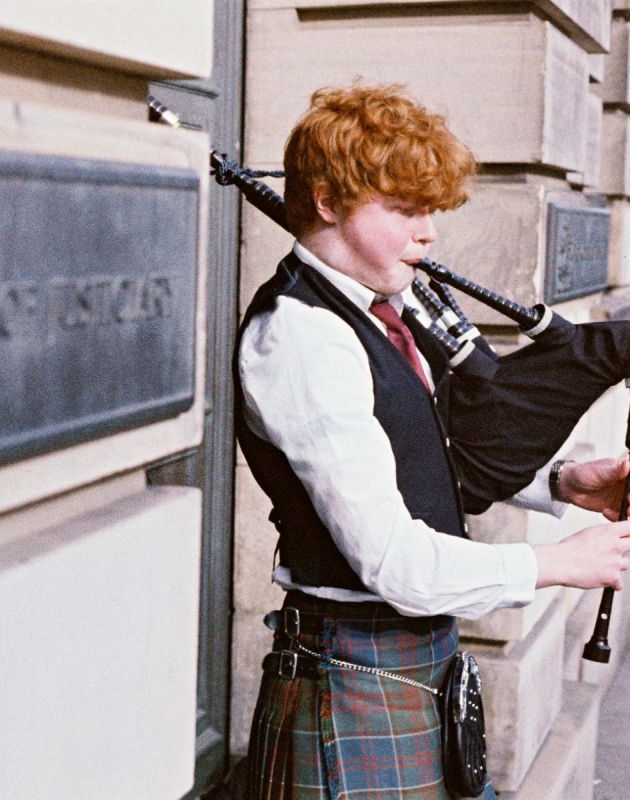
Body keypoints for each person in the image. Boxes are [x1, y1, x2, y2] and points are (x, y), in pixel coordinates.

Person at [234, 82, 629, 800]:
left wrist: (564, 482)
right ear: (326, 201)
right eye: (405, 210)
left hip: (409, 667)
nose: (428, 234)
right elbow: (395, 563)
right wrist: (555, 564)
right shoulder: (303, 336)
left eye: (431, 211)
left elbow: (429, 446)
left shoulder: (381, 308)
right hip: (351, 671)